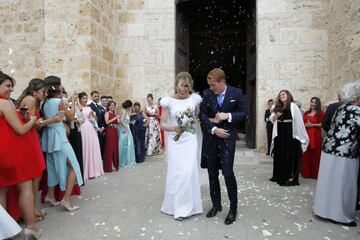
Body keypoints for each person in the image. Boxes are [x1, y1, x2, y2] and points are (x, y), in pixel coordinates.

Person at [7, 78, 63, 222]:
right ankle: (30, 211)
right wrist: (52, 120)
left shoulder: (28, 99)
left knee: (34, 175)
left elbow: (28, 121)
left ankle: (29, 210)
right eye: (43, 92)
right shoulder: (31, 100)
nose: (45, 95)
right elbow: (31, 124)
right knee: (34, 175)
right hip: (29, 140)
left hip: (30, 139)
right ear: (35, 91)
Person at [199, 68, 249, 225]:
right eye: (210, 85)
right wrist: (214, 129)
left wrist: (228, 116)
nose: (211, 88)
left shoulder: (236, 93)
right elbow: (202, 115)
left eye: (213, 85)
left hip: (227, 139)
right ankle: (216, 205)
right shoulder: (207, 94)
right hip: (211, 138)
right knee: (212, 172)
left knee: (227, 173)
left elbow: (245, 113)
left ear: (222, 82)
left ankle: (233, 209)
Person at [313, 81, 360, 227]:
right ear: (357, 96)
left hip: (329, 149)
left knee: (328, 182)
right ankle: (341, 215)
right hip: (346, 152)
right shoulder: (356, 110)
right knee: (344, 184)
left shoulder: (340, 108)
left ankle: (323, 210)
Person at [0, 71, 40, 239]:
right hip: (10, 150)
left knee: (1, 191)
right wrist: (32, 120)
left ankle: (4, 231)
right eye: (8, 86)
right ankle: (30, 228)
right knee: (25, 188)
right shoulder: (4, 103)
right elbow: (21, 129)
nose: (11, 89)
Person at [160, 72, 203, 220]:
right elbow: (163, 123)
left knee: (188, 172)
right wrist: (174, 128)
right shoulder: (168, 102)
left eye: (187, 86)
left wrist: (192, 122)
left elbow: (196, 117)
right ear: (176, 85)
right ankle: (176, 207)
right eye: (182, 86)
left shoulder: (194, 100)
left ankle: (189, 206)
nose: (184, 89)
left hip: (190, 140)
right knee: (177, 173)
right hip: (175, 141)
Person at [41, 75, 83, 211]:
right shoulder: (57, 101)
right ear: (57, 86)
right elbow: (71, 117)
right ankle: (66, 199)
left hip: (49, 136)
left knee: (52, 167)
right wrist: (73, 102)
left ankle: (50, 195)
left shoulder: (45, 103)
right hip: (59, 137)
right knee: (74, 166)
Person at [269, 90, 309, 186]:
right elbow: (272, 119)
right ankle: (278, 175)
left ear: (288, 95)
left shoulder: (293, 106)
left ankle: (287, 177)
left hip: (290, 132)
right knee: (279, 153)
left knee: (288, 154)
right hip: (280, 132)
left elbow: (298, 121)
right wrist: (276, 116)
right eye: (280, 95)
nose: (281, 96)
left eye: (283, 94)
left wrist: (298, 135)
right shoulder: (277, 106)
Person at [78, 92, 104, 180]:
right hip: (83, 128)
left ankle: (94, 170)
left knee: (93, 147)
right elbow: (78, 118)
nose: (85, 100)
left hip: (91, 128)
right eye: (83, 98)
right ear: (80, 99)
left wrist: (92, 116)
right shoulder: (78, 108)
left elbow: (95, 119)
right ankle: (86, 171)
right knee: (86, 148)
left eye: (86, 98)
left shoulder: (89, 107)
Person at [301, 97, 325, 179]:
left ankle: (315, 174)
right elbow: (301, 124)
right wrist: (305, 125)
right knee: (306, 153)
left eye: (315, 102)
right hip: (306, 135)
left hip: (316, 136)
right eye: (312, 102)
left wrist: (313, 125)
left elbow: (323, 124)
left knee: (315, 154)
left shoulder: (321, 113)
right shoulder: (306, 113)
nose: (313, 104)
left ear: (318, 104)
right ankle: (306, 173)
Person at [88, 91, 106, 159]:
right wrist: (98, 128)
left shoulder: (100, 106)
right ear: (91, 97)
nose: (97, 97)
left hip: (102, 129)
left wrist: (103, 127)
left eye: (98, 96)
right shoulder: (89, 107)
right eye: (95, 96)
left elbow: (103, 118)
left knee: (101, 146)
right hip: (94, 130)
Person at [118, 100, 136, 168]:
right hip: (125, 129)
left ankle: (125, 160)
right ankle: (125, 161)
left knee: (126, 144)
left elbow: (125, 120)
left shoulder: (124, 111)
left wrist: (131, 122)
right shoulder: (124, 111)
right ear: (129, 106)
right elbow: (121, 121)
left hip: (125, 128)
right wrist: (126, 128)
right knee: (126, 145)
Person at [103, 100, 119, 172]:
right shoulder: (107, 113)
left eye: (114, 105)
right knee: (110, 148)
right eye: (111, 105)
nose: (113, 106)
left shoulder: (114, 113)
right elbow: (107, 122)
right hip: (110, 131)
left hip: (115, 131)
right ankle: (110, 165)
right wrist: (115, 118)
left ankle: (114, 164)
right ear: (108, 106)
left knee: (115, 148)